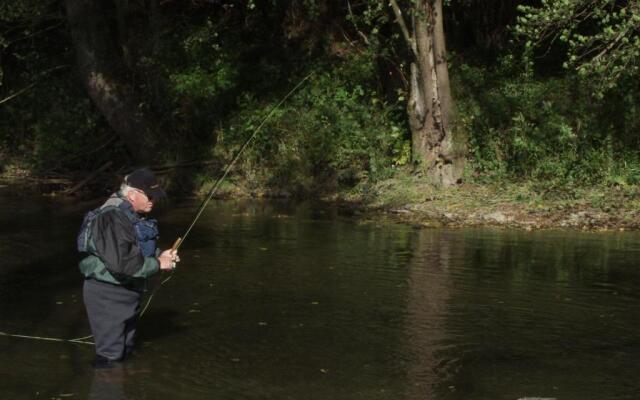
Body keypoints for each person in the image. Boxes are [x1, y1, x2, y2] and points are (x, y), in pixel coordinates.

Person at [78, 167, 178, 368]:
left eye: (155, 196)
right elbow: (123, 263)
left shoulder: (134, 214)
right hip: (108, 294)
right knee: (110, 358)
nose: (153, 201)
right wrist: (158, 264)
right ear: (132, 194)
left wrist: (160, 255)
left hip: (127, 292)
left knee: (125, 350)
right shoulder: (111, 217)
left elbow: (135, 249)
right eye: (149, 196)